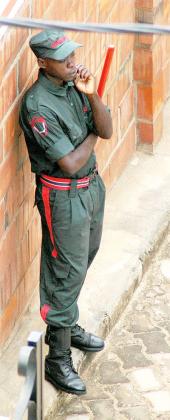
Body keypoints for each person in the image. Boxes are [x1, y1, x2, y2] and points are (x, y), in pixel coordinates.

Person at [19, 29, 113, 395]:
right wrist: (91, 134)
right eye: (64, 59)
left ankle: (66, 325)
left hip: (92, 189)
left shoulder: (76, 85)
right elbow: (71, 162)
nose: (73, 62)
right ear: (44, 63)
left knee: (82, 261)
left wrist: (94, 97)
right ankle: (57, 360)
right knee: (64, 273)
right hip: (63, 198)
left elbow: (105, 129)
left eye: (73, 55)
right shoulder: (37, 105)